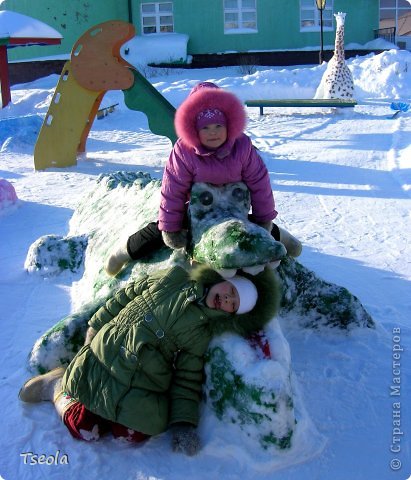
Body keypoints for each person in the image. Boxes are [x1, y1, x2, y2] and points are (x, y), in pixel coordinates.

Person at [19, 264, 280, 455]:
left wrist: (183, 424)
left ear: (230, 314)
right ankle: (55, 385)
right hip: (108, 350)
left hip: (142, 379)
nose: (226, 299)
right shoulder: (173, 277)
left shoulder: (201, 334)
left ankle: (111, 411)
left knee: (132, 434)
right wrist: (96, 325)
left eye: (232, 304)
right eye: (230, 290)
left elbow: (187, 379)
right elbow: (124, 295)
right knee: (83, 428)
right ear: (222, 279)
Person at [106, 82, 302, 276]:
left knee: (250, 228)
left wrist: (264, 219)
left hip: (233, 207)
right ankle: (123, 253)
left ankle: (283, 238)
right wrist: (171, 228)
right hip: (199, 210)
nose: (213, 132)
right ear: (193, 129)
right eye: (206, 127)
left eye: (218, 125)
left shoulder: (241, 147)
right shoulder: (184, 152)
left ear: (229, 124)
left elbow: (260, 183)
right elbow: (172, 190)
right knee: (156, 231)